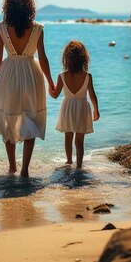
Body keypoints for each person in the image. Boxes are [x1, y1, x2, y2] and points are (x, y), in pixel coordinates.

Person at [0, 0, 55, 177]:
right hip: (32, 74)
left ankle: (12, 166)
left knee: (9, 119)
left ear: (8, 6)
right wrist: (51, 82)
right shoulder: (38, 28)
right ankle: (24, 169)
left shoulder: (1, 28)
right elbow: (44, 58)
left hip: (9, 73)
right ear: (29, 5)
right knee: (30, 118)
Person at [49, 40, 99, 169]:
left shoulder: (62, 76)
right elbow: (92, 95)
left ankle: (69, 160)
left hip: (68, 108)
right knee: (80, 140)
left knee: (68, 136)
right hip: (82, 107)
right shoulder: (88, 76)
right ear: (84, 59)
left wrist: (49, 88)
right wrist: (96, 110)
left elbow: (55, 95)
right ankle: (79, 165)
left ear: (66, 59)